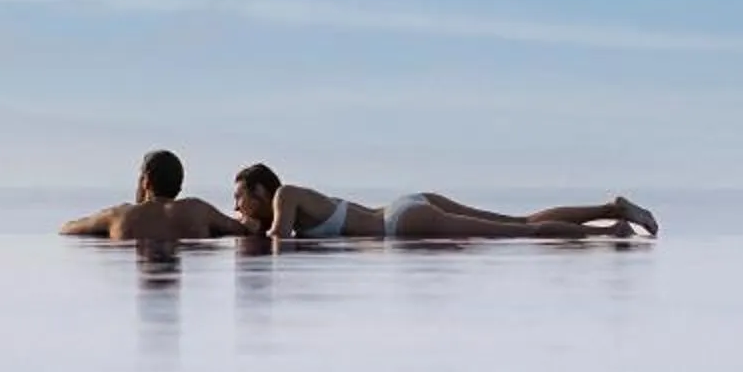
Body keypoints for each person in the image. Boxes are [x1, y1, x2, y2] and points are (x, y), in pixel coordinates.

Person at [231, 163, 657, 243]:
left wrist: (240, 232)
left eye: (239, 197)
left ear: (261, 191)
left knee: (520, 234)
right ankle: (612, 211)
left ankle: (608, 235)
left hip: (400, 224)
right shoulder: (294, 200)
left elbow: (277, 240)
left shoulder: (285, 197)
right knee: (521, 222)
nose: (236, 205)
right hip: (404, 208)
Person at [59, 149, 256, 243]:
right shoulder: (198, 210)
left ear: (146, 181)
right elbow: (245, 229)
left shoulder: (119, 215)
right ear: (180, 184)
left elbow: (67, 229)